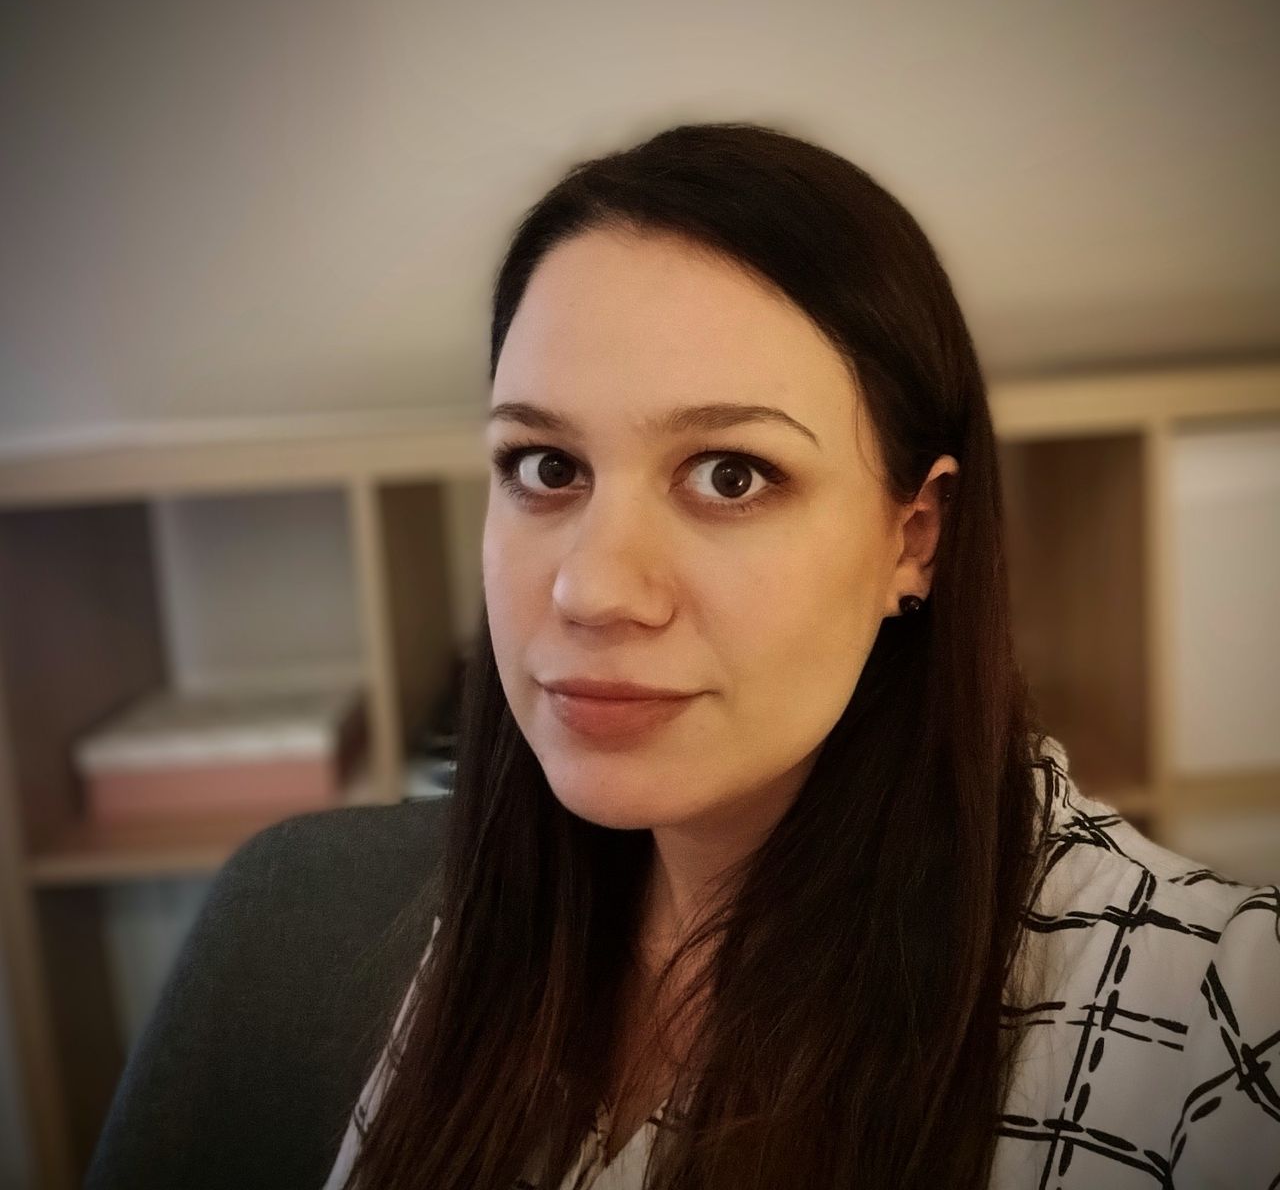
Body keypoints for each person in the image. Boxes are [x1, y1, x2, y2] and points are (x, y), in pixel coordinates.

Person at [322, 122, 1280, 1189]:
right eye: (546, 466)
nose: (592, 589)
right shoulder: (502, 922)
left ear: (913, 537)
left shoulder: (1213, 1027)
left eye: (729, 475)